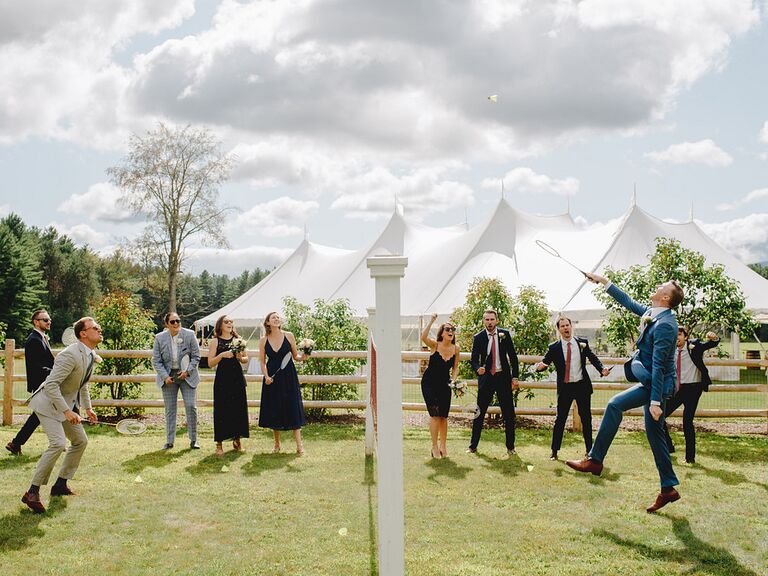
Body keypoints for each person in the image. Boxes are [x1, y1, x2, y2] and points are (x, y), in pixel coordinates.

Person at [567, 273, 684, 513]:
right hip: (652, 381)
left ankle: (595, 460)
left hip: (658, 385)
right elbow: (629, 302)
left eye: (662, 285)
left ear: (665, 297)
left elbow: (661, 365)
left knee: (614, 404)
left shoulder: (666, 325)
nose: (657, 284)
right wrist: (603, 282)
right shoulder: (654, 314)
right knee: (655, 436)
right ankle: (669, 488)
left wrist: (655, 401)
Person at [21, 317, 100, 513]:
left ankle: (60, 485)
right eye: (95, 328)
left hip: (64, 405)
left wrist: (87, 408)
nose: (100, 330)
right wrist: (66, 411)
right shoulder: (70, 354)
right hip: (47, 404)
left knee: (80, 441)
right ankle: (32, 492)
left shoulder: (90, 354)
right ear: (83, 333)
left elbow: (82, 384)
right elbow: (51, 385)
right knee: (57, 444)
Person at [535, 316, 609, 461]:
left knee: (586, 419)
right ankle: (554, 451)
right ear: (559, 329)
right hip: (565, 388)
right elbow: (544, 363)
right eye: (562, 326)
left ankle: (590, 451)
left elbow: (592, 357)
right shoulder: (554, 347)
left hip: (582, 386)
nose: (565, 328)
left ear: (571, 326)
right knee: (560, 419)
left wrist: (602, 369)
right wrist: (539, 368)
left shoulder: (582, 343)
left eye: (567, 325)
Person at [663, 328, 720, 464]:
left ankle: (690, 458)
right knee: (659, 416)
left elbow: (711, 344)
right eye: (674, 334)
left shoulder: (694, 346)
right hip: (677, 389)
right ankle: (669, 447)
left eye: (679, 334)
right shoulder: (670, 350)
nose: (676, 337)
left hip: (693, 389)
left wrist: (714, 338)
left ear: (686, 337)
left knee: (687, 422)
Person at [467, 309, 519, 456]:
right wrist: (478, 369)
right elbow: (473, 360)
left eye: (491, 319)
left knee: (509, 414)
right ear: (483, 321)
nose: (489, 322)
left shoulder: (505, 334)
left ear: (497, 320)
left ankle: (511, 447)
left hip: (503, 378)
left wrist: (515, 377)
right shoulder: (479, 337)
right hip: (487, 379)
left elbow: (513, 357)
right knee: (479, 413)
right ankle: (473, 446)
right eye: (486, 320)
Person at [6, 309, 55, 456]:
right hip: (42, 384)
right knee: (40, 415)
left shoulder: (41, 338)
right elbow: (37, 366)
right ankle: (16, 443)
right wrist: (54, 373)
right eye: (45, 320)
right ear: (36, 322)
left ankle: (16, 443)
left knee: (41, 415)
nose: (48, 321)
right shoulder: (34, 340)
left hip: (46, 383)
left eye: (49, 319)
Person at [258, 312, 306, 455]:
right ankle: (277, 444)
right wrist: (266, 376)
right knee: (275, 408)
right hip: (272, 377)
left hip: (289, 376)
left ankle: (299, 445)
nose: (277, 319)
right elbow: (262, 361)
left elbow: (295, 356)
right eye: (274, 317)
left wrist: (304, 356)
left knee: (293, 406)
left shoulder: (289, 335)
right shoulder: (263, 340)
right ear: (267, 323)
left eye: (278, 317)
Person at [152, 312, 201, 450]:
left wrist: (187, 371)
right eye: (172, 322)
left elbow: (196, 356)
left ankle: (193, 440)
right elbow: (156, 360)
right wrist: (164, 376)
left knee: (191, 406)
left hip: (187, 376)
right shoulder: (159, 338)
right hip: (169, 376)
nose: (176, 324)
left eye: (178, 321)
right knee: (170, 409)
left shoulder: (189, 335)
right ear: (167, 324)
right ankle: (169, 441)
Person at [208, 315, 250, 456]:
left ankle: (237, 440)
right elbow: (210, 363)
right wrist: (222, 356)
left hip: (237, 378)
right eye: (226, 322)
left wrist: (240, 357)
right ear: (220, 325)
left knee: (238, 408)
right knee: (221, 409)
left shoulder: (238, 340)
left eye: (231, 321)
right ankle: (219, 444)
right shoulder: (214, 341)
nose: (229, 323)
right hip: (222, 379)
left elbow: (245, 359)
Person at [420, 313, 460, 458]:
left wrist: (453, 380)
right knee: (435, 415)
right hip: (429, 383)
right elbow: (423, 338)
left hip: (445, 384)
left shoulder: (456, 349)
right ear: (442, 333)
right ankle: (434, 447)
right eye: (447, 329)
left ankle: (443, 445)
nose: (451, 332)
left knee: (444, 416)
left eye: (453, 329)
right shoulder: (435, 345)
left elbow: (455, 367)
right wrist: (431, 321)